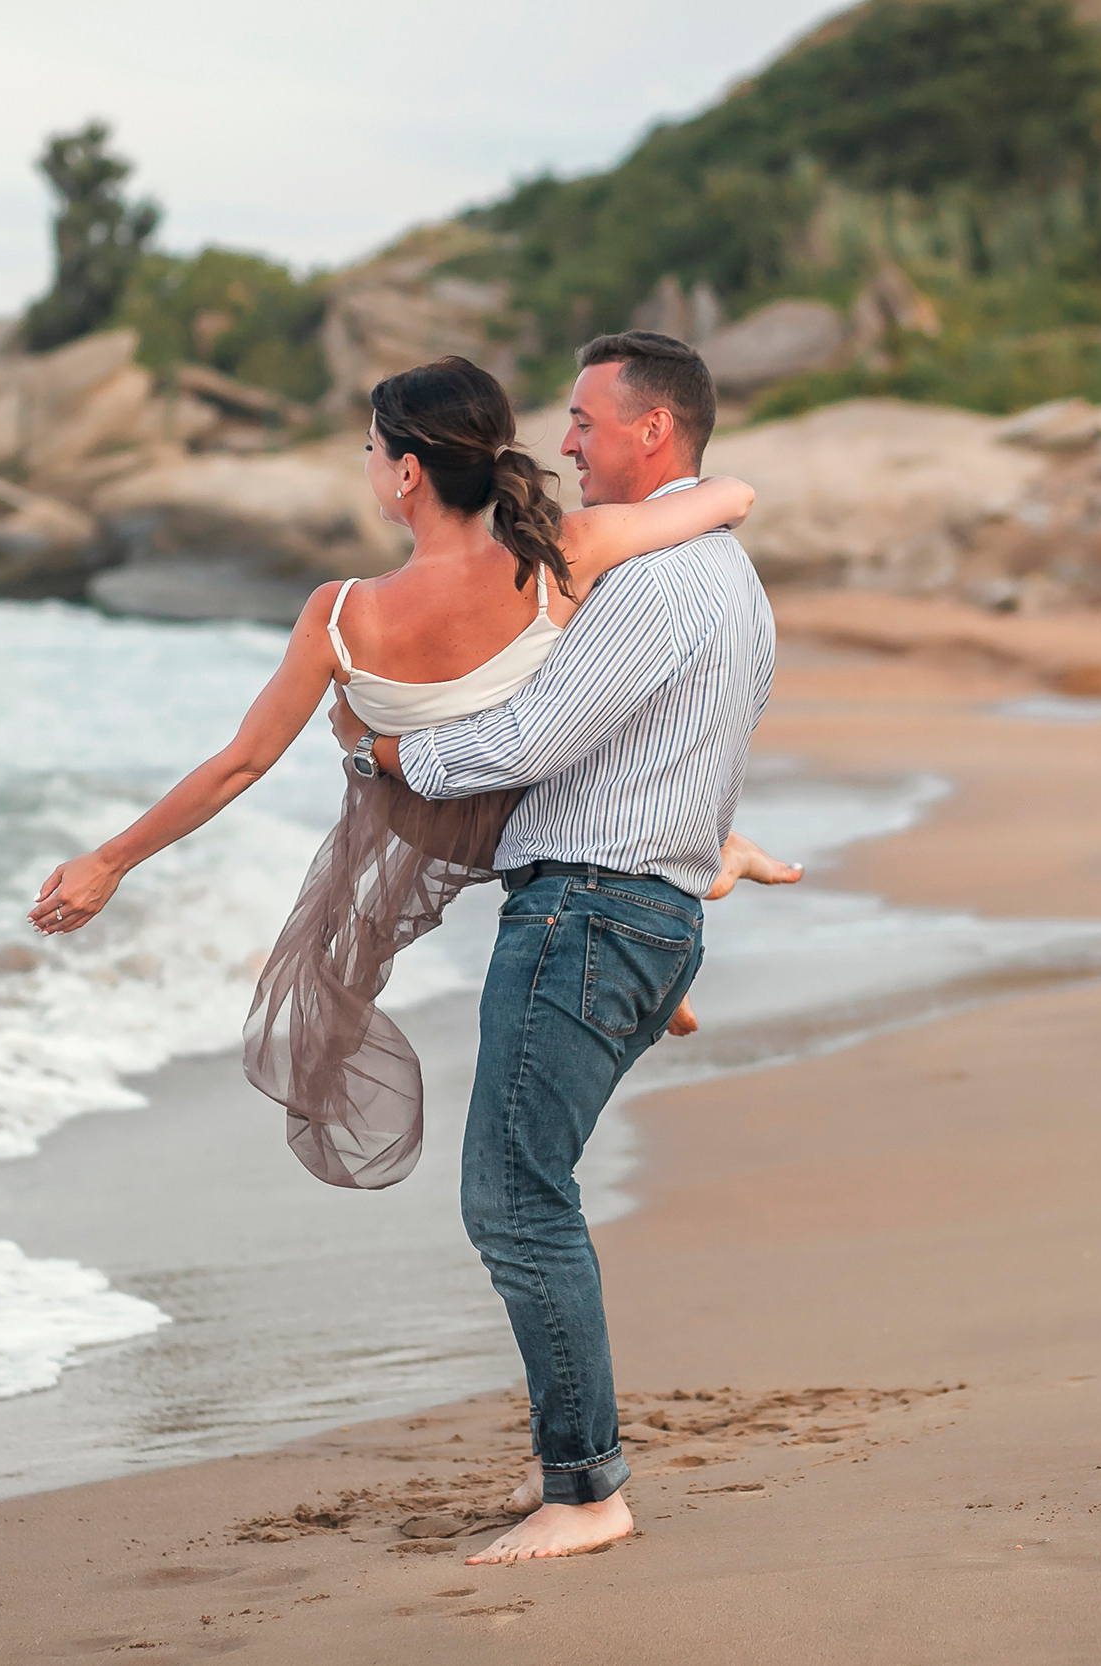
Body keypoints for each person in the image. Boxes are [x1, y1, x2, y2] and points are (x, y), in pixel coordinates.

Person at [27, 356, 797, 1193]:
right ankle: (710, 862)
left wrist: (109, 861)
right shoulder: (562, 555)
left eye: (370, 449)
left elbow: (241, 762)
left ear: (406, 471)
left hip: (444, 816)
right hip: (533, 814)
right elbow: (734, 497)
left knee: (391, 925)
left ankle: (711, 863)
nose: (366, 466)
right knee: (577, 811)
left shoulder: (341, 613)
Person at [326, 330, 775, 1564]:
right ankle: (567, 1471)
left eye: (583, 420)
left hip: (591, 914)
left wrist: (387, 755)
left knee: (517, 1200)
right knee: (528, 1190)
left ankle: (585, 1489)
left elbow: (531, 737)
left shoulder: (661, 580)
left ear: (653, 433)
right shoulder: (726, 572)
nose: (561, 442)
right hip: (637, 916)